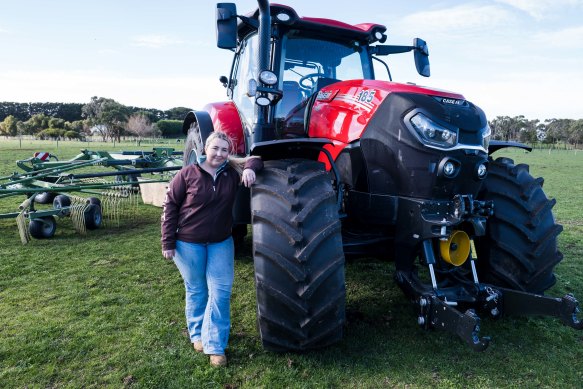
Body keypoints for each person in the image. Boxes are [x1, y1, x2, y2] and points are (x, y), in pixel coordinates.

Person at [161, 131, 262, 367]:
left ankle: (215, 345)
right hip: (188, 243)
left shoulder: (231, 171)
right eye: (215, 148)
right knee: (196, 289)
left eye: (224, 150)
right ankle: (197, 334)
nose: (219, 154)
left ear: (229, 153)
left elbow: (257, 158)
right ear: (206, 148)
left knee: (221, 291)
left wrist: (250, 168)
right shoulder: (187, 174)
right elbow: (170, 206)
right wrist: (167, 242)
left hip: (220, 242)